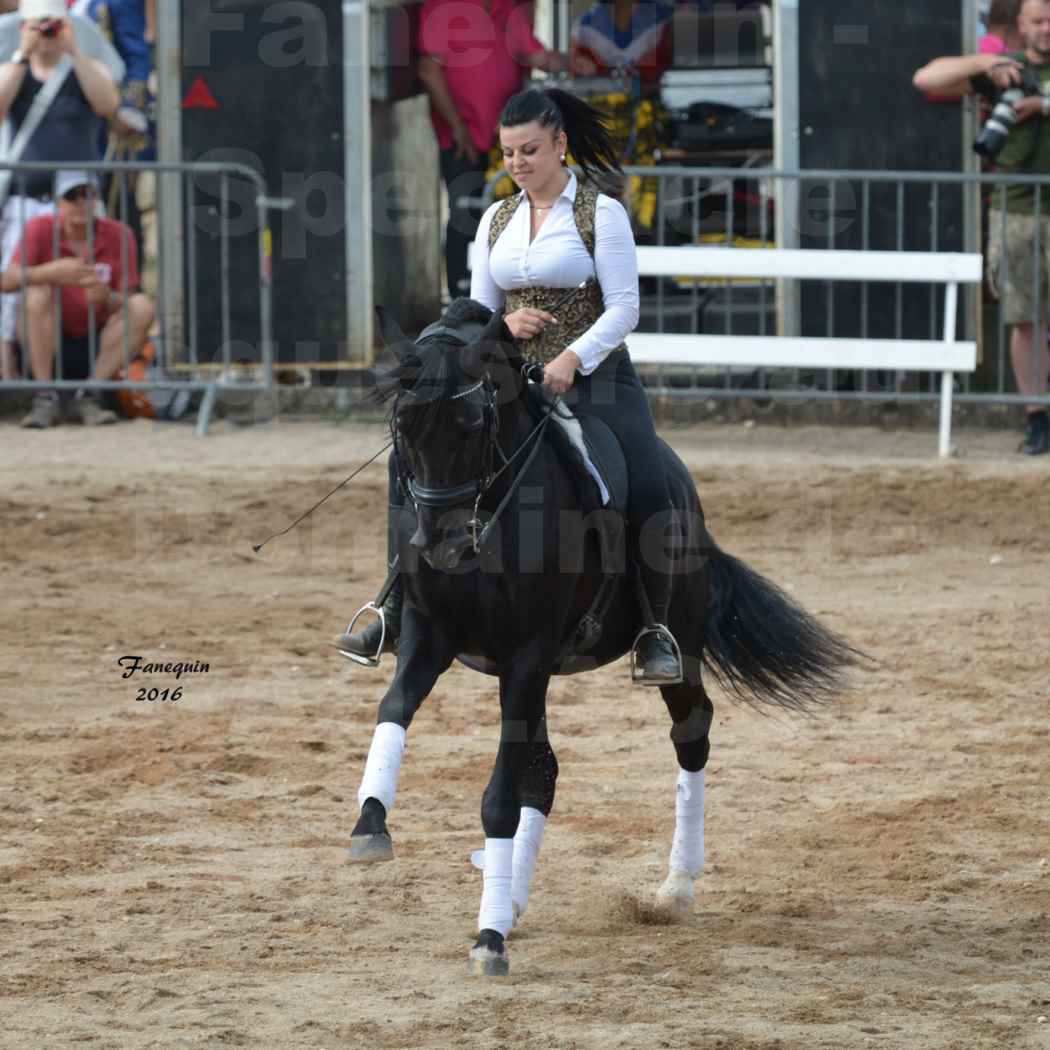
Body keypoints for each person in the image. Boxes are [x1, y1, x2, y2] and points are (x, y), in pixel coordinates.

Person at [340, 87, 683, 684]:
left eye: (529, 151)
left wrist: (574, 356)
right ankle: (393, 602)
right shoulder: (497, 219)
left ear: (560, 146)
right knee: (409, 459)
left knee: (646, 476)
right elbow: (476, 310)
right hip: (509, 381)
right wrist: (500, 327)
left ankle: (655, 628)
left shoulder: (600, 213)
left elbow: (625, 308)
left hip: (596, 381)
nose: (518, 164)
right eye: (507, 154)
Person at [914, 0, 1050, 455]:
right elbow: (926, 78)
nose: (1046, 28)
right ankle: (1037, 418)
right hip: (1015, 211)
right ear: (1021, 26)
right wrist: (987, 62)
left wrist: (1043, 104)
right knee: (1023, 318)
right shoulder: (1003, 72)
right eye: (1038, 20)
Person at [418, 0, 593, 301]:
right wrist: (458, 125)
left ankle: (507, 299)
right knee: (465, 214)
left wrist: (569, 62)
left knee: (511, 216)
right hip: (462, 138)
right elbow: (429, 71)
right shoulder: (440, 7)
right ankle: (462, 303)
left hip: (508, 138)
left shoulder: (509, 7)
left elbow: (534, 54)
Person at [0, 0, 121, 380]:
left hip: (78, 200)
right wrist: (24, 54)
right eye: (39, 25)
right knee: (11, 301)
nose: (47, 32)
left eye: (52, 25)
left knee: (85, 290)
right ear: (24, 27)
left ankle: (84, 380)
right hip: (26, 203)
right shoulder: (14, 68)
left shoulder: (86, 67)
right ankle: (12, 380)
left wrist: (74, 50)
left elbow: (107, 103)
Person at [4, 169, 154, 427]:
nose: (81, 202)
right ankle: (45, 396)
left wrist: (106, 296)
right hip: (46, 343)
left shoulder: (119, 233)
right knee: (36, 292)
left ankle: (90, 395)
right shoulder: (39, 228)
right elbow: (6, 280)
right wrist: (51, 272)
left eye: (88, 194)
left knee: (142, 305)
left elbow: (127, 299)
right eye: (72, 195)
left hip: (99, 342)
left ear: (97, 199)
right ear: (58, 202)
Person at [571, 0, 674, 89]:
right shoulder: (584, 27)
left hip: (651, 103)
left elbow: (668, 68)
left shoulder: (661, 21)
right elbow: (577, 71)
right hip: (600, 104)